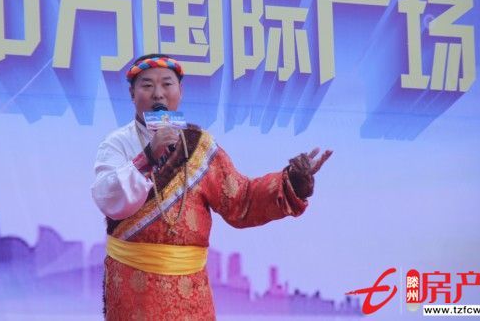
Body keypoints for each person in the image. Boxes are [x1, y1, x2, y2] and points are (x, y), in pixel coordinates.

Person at [91, 54, 332, 320]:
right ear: (132, 94)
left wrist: (291, 183)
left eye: (167, 84)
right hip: (134, 289)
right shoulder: (116, 144)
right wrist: (148, 155)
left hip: (191, 293)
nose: (158, 94)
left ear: (180, 92)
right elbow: (108, 199)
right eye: (147, 85)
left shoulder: (200, 146)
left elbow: (241, 200)